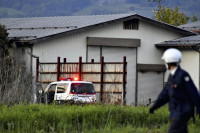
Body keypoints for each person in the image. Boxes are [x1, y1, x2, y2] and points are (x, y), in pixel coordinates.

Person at [149, 48, 200, 133]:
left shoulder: (183, 75)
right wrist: (154, 107)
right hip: (175, 111)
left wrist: (199, 108)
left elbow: (193, 92)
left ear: (168, 62)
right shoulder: (171, 76)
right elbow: (165, 95)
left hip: (183, 111)